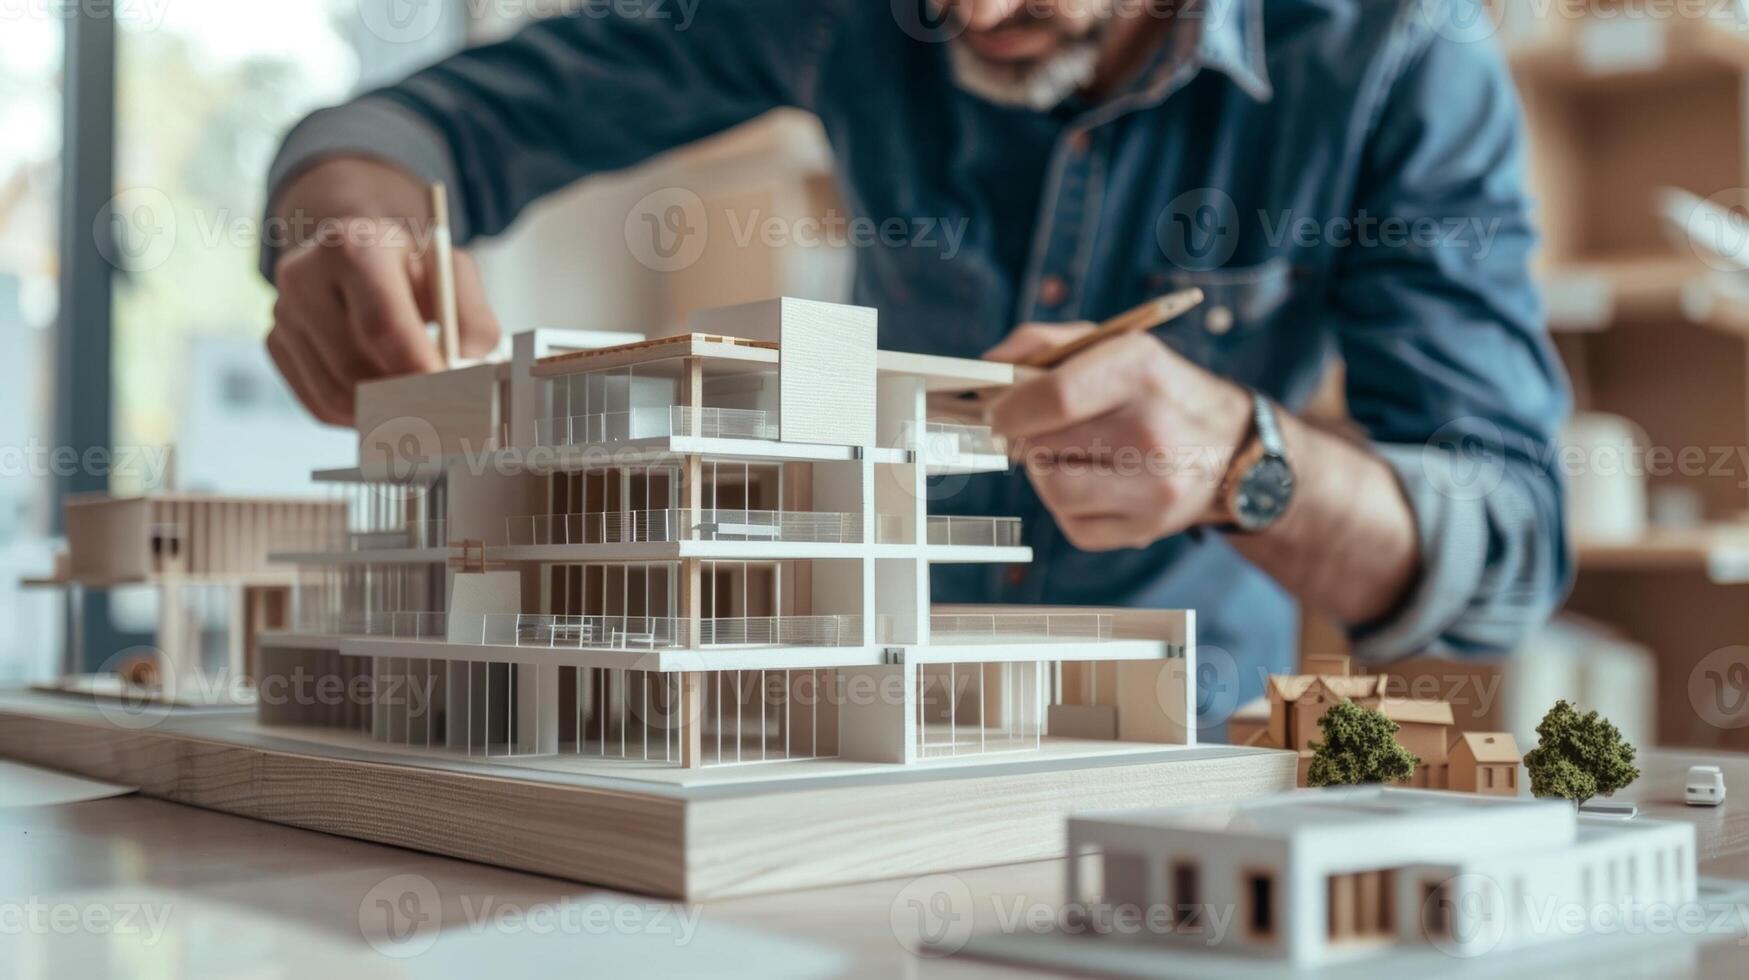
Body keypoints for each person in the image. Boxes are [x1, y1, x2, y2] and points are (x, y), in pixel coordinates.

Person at [259, 0, 1570, 734]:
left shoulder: (1400, 58)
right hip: (845, 729)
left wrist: (1247, 464)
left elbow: (1503, 552)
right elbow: (438, 117)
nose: (968, 14)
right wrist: (340, 211)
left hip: (1166, 756)